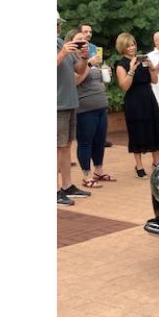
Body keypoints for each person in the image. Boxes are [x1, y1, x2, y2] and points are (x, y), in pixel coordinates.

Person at [114, 32, 159, 178]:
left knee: (155, 128)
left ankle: (156, 162)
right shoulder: (121, 64)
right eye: (128, 46)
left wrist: (152, 67)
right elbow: (124, 86)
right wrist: (131, 70)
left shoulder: (143, 61)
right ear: (122, 47)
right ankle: (139, 165)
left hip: (149, 98)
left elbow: (154, 81)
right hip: (134, 101)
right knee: (137, 131)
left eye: (133, 44)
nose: (132, 48)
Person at [66, 28, 114, 188]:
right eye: (79, 40)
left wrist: (105, 73)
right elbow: (75, 81)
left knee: (99, 141)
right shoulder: (70, 59)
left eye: (85, 40)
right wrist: (89, 63)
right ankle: (86, 176)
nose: (83, 43)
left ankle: (98, 171)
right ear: (71, 42)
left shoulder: (90, 58)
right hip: (84, 108)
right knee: (85, 142)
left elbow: (97, 80)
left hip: (100, 106)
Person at [57, 12, 91, 205]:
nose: (58, 26)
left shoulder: (61, 43)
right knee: (56, 147)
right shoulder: (60, 47)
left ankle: (67, 185)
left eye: (58, 23)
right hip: (57, 104)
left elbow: (78, 69)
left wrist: (84, 57)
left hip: (69, 102)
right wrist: (62, 53)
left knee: (66, 146)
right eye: (55, 23)